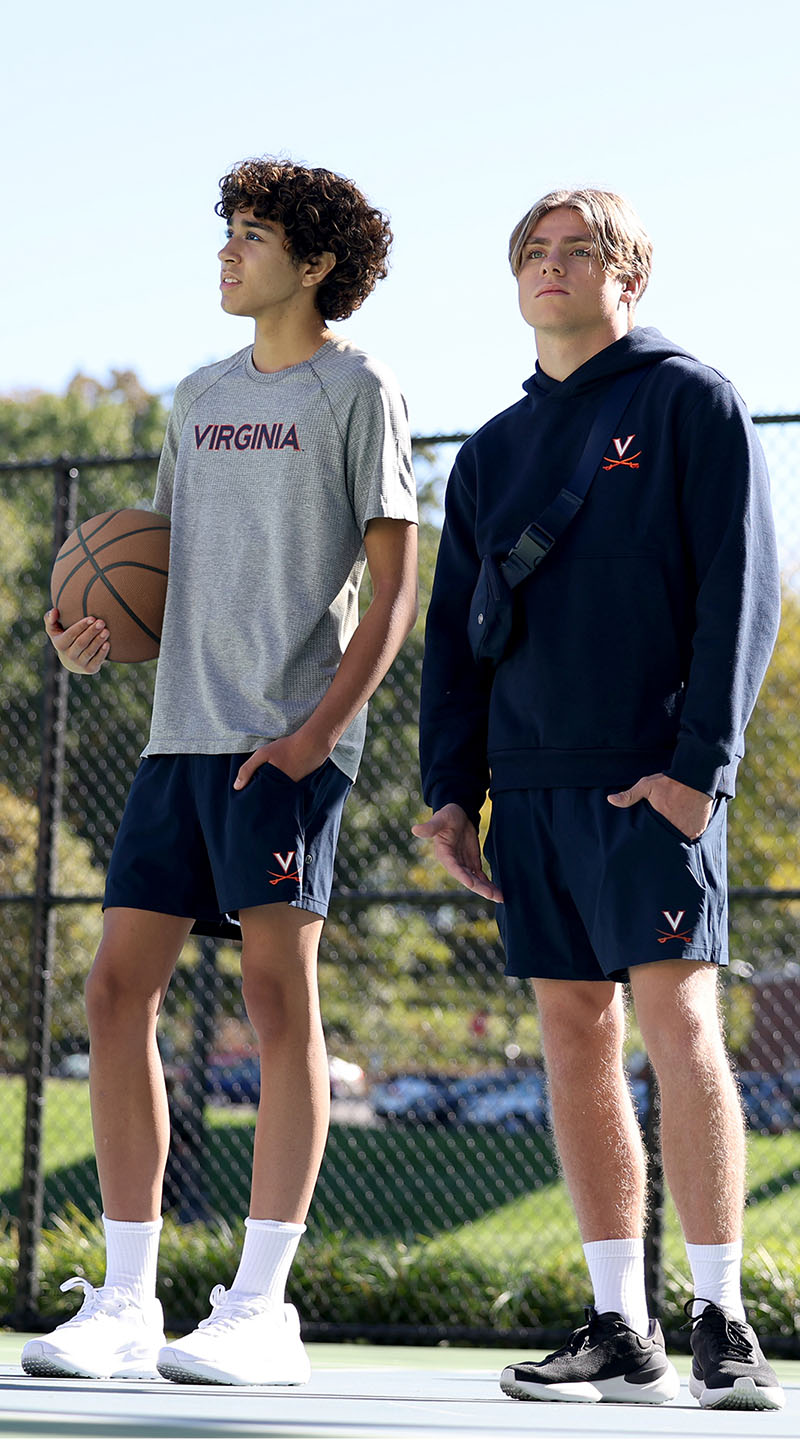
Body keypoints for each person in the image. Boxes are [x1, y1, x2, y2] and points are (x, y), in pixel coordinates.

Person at [24, 157, 418, 1387]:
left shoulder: (361, 391)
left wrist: (311, 737)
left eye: (251, 237)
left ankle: (261, 1305)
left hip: (284, 745)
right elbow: (151, 569)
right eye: (227, 233)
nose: (226, 252)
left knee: (273, 1000)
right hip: (175, 736)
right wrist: (87, 634)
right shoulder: (195, 398)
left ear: (313, 266)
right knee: (112, 991)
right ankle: (131, 1296)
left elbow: (394, 593)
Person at [414, 188, 784, 1412]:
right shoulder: (489, 450)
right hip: (525, 785)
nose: (553, 267)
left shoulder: (688, 399)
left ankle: (721, 1316)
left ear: (628, 277)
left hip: (648, 781)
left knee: (678, 1025)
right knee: (572, 1033)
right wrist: (445, 792)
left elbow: (743, 590)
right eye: (534, 252)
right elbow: (453, 640)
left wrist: (697, 771)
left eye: (579, 251)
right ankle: (615, 1325)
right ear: (514, 282)